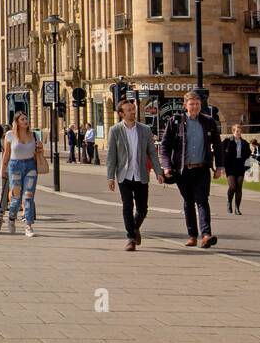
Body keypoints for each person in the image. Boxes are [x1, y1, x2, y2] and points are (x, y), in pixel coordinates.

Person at [159, 90, 224, 248]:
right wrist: (166, 167)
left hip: (202, 168)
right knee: (188, 201)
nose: (195, 107)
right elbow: (165, 146)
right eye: (192, 104)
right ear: (185, 105)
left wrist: (219, 166)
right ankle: (192, 235)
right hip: (183, 170)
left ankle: (206, 235)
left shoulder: (208, 121)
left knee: (202, 201)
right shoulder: (175, 121)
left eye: (197, 104)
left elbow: (218, 145)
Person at [106, 98, 165, 250]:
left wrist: (159, 172)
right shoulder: (115, 130)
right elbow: (112, 155)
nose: (132, 112)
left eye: (133, 109)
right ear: (121, 114)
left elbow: (152, 152)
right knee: (127, 205)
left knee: (143, 208)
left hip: (141, 174)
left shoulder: (145, 129)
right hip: (124, 174)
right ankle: (130, 238)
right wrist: (110, 177)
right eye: (129, 110)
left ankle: (135, 227)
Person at [1, 112, 44, 237]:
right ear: (17, 122)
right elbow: (7, 154)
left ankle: (28, 226)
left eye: (26, 119)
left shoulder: (34, 135)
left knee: (28, 197)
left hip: (30, 166)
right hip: (15, 167)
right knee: (16, 198)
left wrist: (40, 148)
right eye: (22, 119)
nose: (26, 121)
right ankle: (11, 218)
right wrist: (3, 170)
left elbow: (39, 151)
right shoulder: (10, 135)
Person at [221, 124, 250, 215]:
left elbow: (248, 155)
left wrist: (247, 167)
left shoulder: (245, 143)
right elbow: (222, 154)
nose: (238, 133)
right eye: (237, 131)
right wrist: (222, 167)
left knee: (239, 187)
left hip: (240, 166)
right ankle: (229, 201)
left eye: (240, 131)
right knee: (232, 187)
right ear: (233, 131)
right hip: (230, 166)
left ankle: (237, 208)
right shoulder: (227, 141)